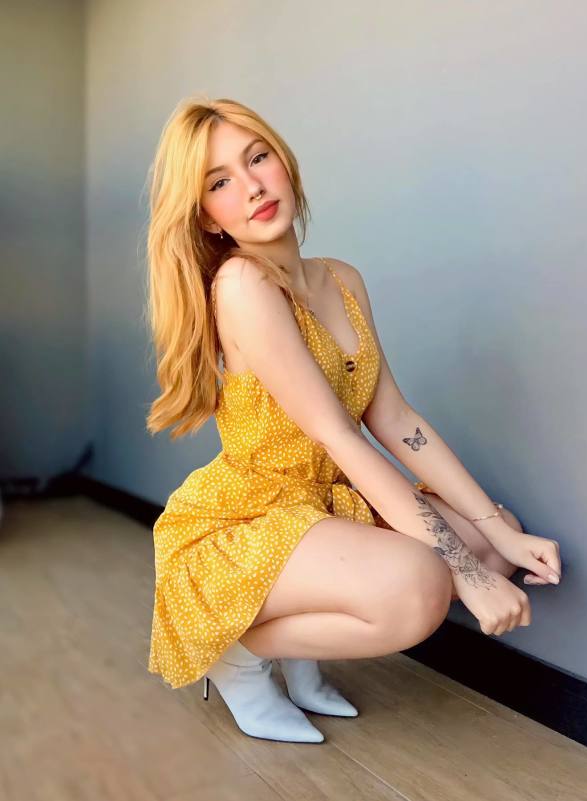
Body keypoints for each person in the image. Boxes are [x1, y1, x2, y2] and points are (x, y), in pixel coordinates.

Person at [144, 96, 562, 743]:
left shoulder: (340, 279)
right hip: (253, 514)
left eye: (258, 158)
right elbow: (338, 434)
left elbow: (393, 416)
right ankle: (237, 655)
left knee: (495, 536)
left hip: (325, 500)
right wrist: (466, 575)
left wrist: (494, 538)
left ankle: (297, 653)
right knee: (422, 586)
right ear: (205, 215)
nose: (251, 186)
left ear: (284, 161)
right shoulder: (242, 285)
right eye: (219, 182)